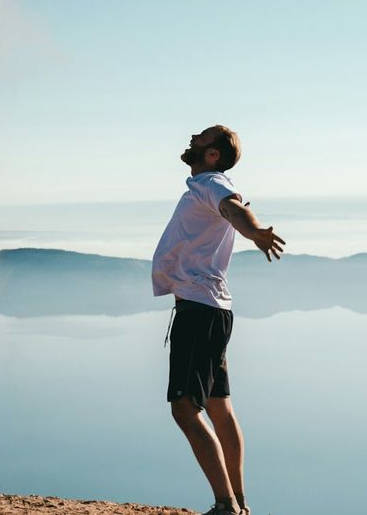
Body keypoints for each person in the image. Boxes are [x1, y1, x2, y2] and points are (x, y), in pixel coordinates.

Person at [152, 124, 285, 515]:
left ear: (212, 154)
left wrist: (255, 231)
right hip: (211, 309)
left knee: (184, 408)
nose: (193, 137)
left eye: (202, 137)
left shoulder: (210, 183)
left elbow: (235, 208)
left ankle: (226, 505)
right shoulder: (208, 184)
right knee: (218, 405)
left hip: (198, 310)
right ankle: (239, 502)